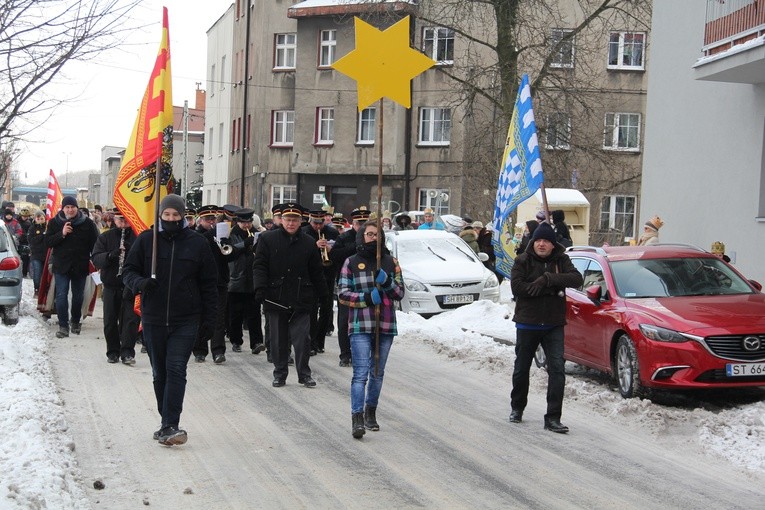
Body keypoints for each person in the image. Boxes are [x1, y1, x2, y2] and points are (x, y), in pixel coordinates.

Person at [121, 194, 218, 446]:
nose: (172, 219)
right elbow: (128, 271)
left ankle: (170, 424)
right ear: (160, 215)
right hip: (153, 318)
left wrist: (211, 319)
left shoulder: (197, 243)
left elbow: (210, 284)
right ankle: (166, 421)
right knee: (159, 372)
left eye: (176, 215)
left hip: (185, 319)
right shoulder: (146, 240)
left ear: (183, 216)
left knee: (176, 368)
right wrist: (140, 283)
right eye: (167, 215)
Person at [509, 221, 583, 434]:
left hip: (553, 324)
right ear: (533, 242)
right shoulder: (522, 260)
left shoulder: (562, 260)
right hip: (527, 322)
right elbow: (518, 288)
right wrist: (549, 289)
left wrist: (548, 279)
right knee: (522, 368)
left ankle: (553, 417)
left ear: (553, 245)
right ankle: (517, 408)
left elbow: (576, 279)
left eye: (546, 241)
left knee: (557, 370)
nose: (541, 244)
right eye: (538, 240)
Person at [338, 220, 405, 438]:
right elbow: (343, 293)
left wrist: (387, 283)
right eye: (369, 234)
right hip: (360, 324)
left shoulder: (390, 261)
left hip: (384, 325)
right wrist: (366, 298)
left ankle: (370, 412)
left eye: (377, 234)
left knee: (377, 373)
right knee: (360, 374)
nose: (373, 238)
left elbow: (400, 293)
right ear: (362, 236)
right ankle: (356, 417)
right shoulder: (351, 262)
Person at [253, 203, 328, 388]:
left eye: (295, 220)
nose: (291, 223)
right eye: (288, 219)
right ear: (282, 220)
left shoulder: (309, 242)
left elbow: (316, 271)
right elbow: (259, 265)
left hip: (301, 297)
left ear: (301, 221)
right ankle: (280, 374)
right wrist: (259, 288)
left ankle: (304, 374)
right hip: (275, 296)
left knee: (302, 339)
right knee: (278, 340)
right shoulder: (268, 239)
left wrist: (324, 294)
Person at [44, 196, 99, 338]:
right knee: (61, 295)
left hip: (80, 265)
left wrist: (97, 261)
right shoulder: (54, 222)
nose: (70, 210)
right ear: (63, 209)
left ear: (77, 208)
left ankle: (75, 320)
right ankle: (63, 326)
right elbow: (48, 242)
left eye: (72, 207)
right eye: (67, 207)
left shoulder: (87, 223)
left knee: (78, 296)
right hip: (61, 265)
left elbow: (96, 244)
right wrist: (61, 234)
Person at [91, 208, 139, 364]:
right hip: (111, 284)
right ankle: (112, 351)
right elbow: (96, 259)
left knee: (130, 321)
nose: (123, 224)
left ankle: (127, 352)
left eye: (126, 221)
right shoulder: (106, 237)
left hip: (130, 286)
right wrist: (111, 255)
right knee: (110, 320)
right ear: (114, 220)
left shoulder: (138, 237)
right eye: (120, 221)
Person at [329, 206, 371, 367]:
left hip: (367, 285)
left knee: (365, 321)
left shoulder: (373, 237)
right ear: (353, 223)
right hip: (348, 283)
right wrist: (356, 246)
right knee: (345, 320)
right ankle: (345, 354)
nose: (361, 226)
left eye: (364, 223)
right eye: (358, 223)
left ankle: (361, 353)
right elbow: (334, 256)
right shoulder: (345, 237)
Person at [192, 205, 232, 364]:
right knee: (200, 317)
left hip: (219, 281)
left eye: (213, 219)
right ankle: (200, 350)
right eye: (207, 220)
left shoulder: (220, 236)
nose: (211, 222)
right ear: (200, 220)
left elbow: (230, 256)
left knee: (219, 318)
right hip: (201, 283)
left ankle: (218, 351)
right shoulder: (196, 235)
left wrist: (226, 243)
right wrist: (213, 234)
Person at [227, 208, 266, 355]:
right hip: (236, 278)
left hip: (253, 279)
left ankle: (256, 342)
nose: (246, 225)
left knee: (254, 313)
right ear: (238, 222)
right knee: (236, 314)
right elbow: (229, 252)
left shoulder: (258, 233)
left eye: (248, 222)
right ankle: (236, 341)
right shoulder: (231, 234)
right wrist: (245, 244)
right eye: (243, 223)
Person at [302, 209, 339, 356]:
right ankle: (310, 342)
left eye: (320, 223)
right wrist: (314, 246)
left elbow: (338, 253)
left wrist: (330, 249)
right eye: (315, 223)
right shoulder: (304, 232)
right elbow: (300, 253)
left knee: (326, 309)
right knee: (311, 311)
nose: (318, 226)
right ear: (310, 220)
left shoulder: (332, 233)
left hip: (327, 276)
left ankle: (320, 341)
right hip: (310, 277)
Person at [28, 211, 47, 297]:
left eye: (42, 218)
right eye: (38, 219)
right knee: (37, 273)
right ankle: (37, 289)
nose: (40, 220)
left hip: (46, 255)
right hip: (36, 255)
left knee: (45, 274)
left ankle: (45, 290)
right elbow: (31, 241)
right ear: (35, 219)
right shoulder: (32, 228)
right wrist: (42, 235)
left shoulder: (48, 227)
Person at [17, 207, 32, 276]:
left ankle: (24, 272)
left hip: (25, 242)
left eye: (26, 216)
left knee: (25, 258)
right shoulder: (17, 222)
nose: (25, 218)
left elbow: (30, 233)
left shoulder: (29, 223)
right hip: (18, 241)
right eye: (24, 216)